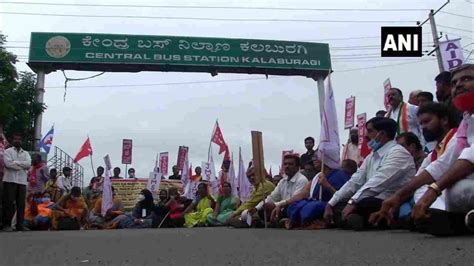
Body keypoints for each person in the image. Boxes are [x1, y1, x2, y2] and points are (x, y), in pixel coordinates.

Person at [372, 64, 474, 235]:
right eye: (455, 83)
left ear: (444, 120)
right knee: (448, 191)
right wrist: (398, 196)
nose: (458, 85)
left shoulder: (456, 133)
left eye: (467, 79)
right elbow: (439, 166)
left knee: (455, 190)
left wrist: (433, 190)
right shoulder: (467, 121)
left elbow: (469, 158)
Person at [369, 102, 457, 230]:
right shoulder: (434, 153)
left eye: (427, 121)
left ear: (444, 120)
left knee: (458, 189)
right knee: (416, 191)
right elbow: (418, 179)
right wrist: (396, 199)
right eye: (421, 123)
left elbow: (437, 168)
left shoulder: (457, 138)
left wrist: (398, 196)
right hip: (440, 198)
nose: (423, 127)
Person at [323, 117, 416, 231]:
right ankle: (358, 220)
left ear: (381, 134)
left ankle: (355, 220)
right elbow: (354, 181)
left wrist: (353, 202)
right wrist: (330, 203)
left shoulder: (399, 153)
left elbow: (378, 182)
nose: (366, 135)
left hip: (390, 202)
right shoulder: (371, 157)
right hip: (370, 200)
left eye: (370, 130)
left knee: (363, 203)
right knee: (337, 203)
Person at [284, 149, 351, 229]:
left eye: (317, 157)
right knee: (294, 205)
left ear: (326, 158)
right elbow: (304, 194)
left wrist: (327, 185)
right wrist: (282, 203)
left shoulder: (339, 175)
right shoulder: (317, 176)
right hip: (314, 202)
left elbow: (343, 198)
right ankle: (299, 222)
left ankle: (309, 222)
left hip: (331, 206)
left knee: (313, 207)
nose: (313, 160)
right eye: (313, 157)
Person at [252, 154, 309, 227]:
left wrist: (276, 205)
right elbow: (272, 198)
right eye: (285, 164)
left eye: (290, 164)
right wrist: (256, 208)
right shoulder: (282, 181)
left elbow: (294, 200)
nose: (287, 166)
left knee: (291, 208)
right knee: (263, 210)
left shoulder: (302, 180)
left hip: (293, 208)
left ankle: (277, 223)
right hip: (280, 209)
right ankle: (275, 222)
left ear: (297, 167)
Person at [2, 133, 31, 232]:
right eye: (15, 139)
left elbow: (28, 164)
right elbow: (8, 164)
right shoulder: (8, 151)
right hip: (9, 180)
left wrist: (16, 163)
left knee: (21, 204)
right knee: (8, 203)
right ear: (12, 140)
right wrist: (21, 166)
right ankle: (6, 225)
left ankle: (19, 225)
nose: (17, 141)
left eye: (19, 139)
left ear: (22, 141)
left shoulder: (26, 153)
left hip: (22, 182)